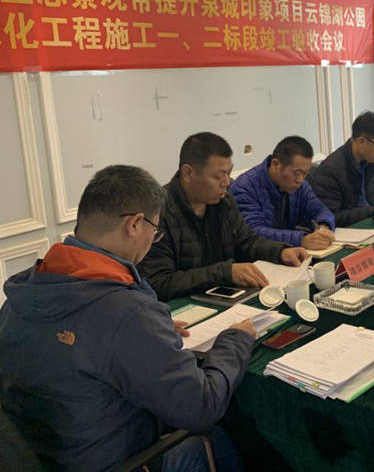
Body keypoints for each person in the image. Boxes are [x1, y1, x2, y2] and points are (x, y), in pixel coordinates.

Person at [0, 165, 254, 472]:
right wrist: (236, 340)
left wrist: (149, 332)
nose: (153, 241)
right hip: (119, 461)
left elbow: (82, 341)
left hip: (45, 455)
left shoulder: (27, 288)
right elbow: (201, 406)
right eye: (155, 231)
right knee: (225, 437)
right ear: (134, 224)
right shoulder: (126, 311)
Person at [139, 132, 307, 302]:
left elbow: (246, 242)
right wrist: (225, 272)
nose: (226, 182)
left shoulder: (223, 200)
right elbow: (158, 283)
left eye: (229, 173)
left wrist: (280, 252)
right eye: (218, 176)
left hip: (226, 298)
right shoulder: (157, 213)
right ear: (188, 173)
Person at [231, 136, 336, 249]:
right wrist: (301, 239)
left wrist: (323, 228)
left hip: (286, 251)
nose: (300, 180)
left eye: (305, 173)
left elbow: (321, 210)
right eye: (297, 173)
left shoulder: (300, 186)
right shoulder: (245, 187)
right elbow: (253, 233)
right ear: (275, 164)